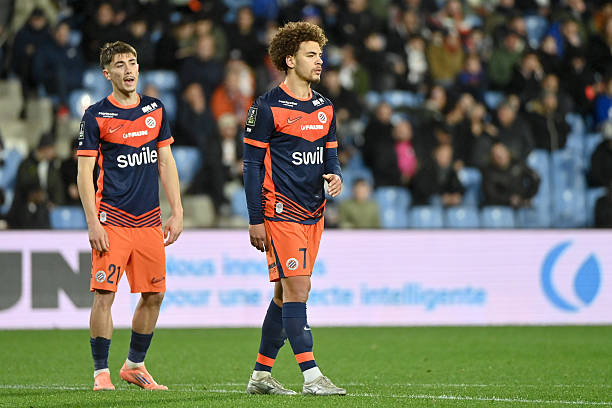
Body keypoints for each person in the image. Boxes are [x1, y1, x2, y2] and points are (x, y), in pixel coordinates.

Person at [242, 21, 346, 396]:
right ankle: (312, 377)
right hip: (280, 212)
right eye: (311, 55)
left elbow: (330, 157)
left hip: (313, 213)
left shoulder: (325, 108)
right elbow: (251, 167)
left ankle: (260, 376)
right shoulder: (266, 107)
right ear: (290, 60)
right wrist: (255, 219)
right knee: (298, 288)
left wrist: (335, 176)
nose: (320, 61)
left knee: (284, 295)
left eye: (320, 54)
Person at [77, 41, 183, 391]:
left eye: (133, 62)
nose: (128, 70)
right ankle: (100, 372)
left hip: (149, 222)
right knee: (104, 295)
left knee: (154, 295)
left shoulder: (155, 109)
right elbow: (84, 174)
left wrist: (177, 210)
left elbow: (165, 162)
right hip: (113, 222)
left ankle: (134, 365)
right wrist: (93, 222)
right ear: (107, 73)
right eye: (120, 64)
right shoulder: (96, 115)